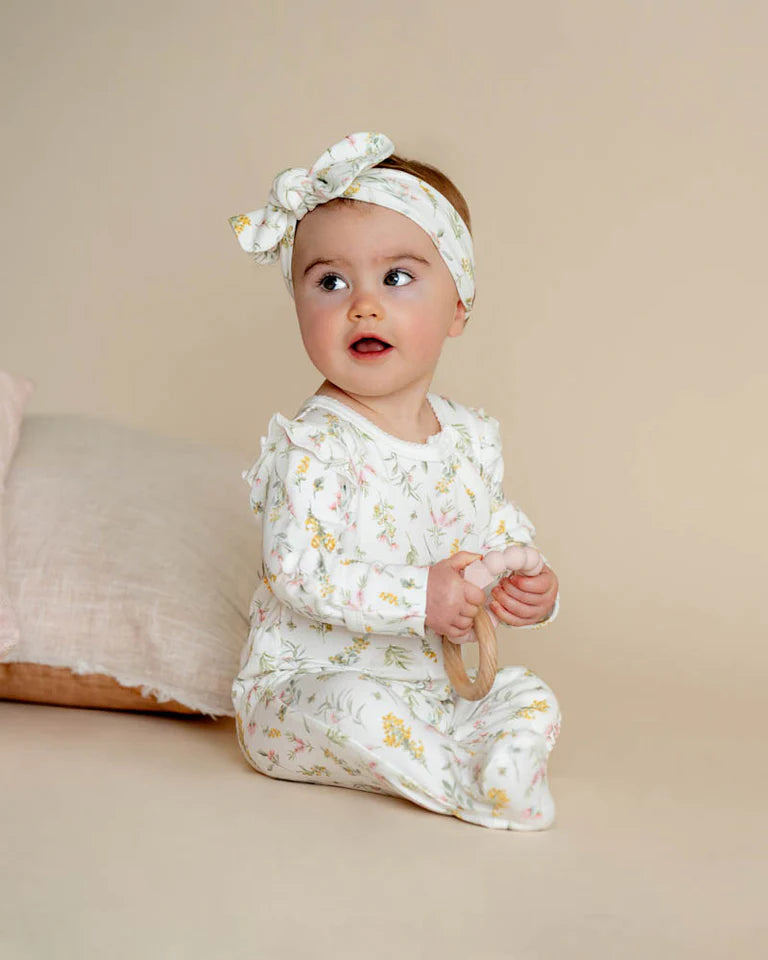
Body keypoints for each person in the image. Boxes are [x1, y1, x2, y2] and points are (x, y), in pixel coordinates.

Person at [228, 132, 562, 830]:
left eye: (397, 277)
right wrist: (419, 596)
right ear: (298, 309)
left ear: (459, 306)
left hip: (433, 692)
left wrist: (525, 581)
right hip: (305, 692)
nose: (363, 305)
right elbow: (298, 572)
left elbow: (494, 529)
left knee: (529, 693)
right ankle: (471, 786)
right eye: (330, 282)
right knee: (355, 707)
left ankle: (500, 756)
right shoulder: (314, 444)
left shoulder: (469, 437)